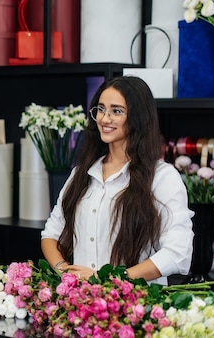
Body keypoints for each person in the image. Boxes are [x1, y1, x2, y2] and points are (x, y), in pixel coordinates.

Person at [41, 75, 193, 285]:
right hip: (82, 305)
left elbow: (178, 253)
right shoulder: (81, 174)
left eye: (116, 111)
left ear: (139, 117)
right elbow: (51, 234)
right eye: (101, 109)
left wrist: (110, 280)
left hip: (137, 307)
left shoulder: (162, 178)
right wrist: (65, 271)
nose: (104, 118)